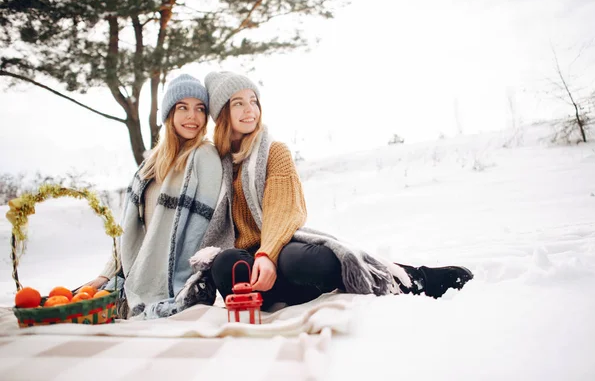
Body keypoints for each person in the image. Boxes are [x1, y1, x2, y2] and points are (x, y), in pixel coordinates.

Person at [196, 71, 474, 311]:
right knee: (226, 263)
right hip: (251, 266)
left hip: (279, 250)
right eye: (239, 103)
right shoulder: (214, 163)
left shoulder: (273, 151)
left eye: (254, 101)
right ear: (222, 113)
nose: (250, 110)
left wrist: (267, 255)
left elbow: (282, 210)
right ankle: (267, 296)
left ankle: (408, 278)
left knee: (299, 261)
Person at [85, 74, 223, 319]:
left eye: (199, 109)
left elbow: (203, 232)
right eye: (183, 107)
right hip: (133, 274)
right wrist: (106, 275)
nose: (192, 116)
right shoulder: (149, 167)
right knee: (81, 305)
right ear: (169, 113)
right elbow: (129, 233)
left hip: (176, 281)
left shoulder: (205, 157)